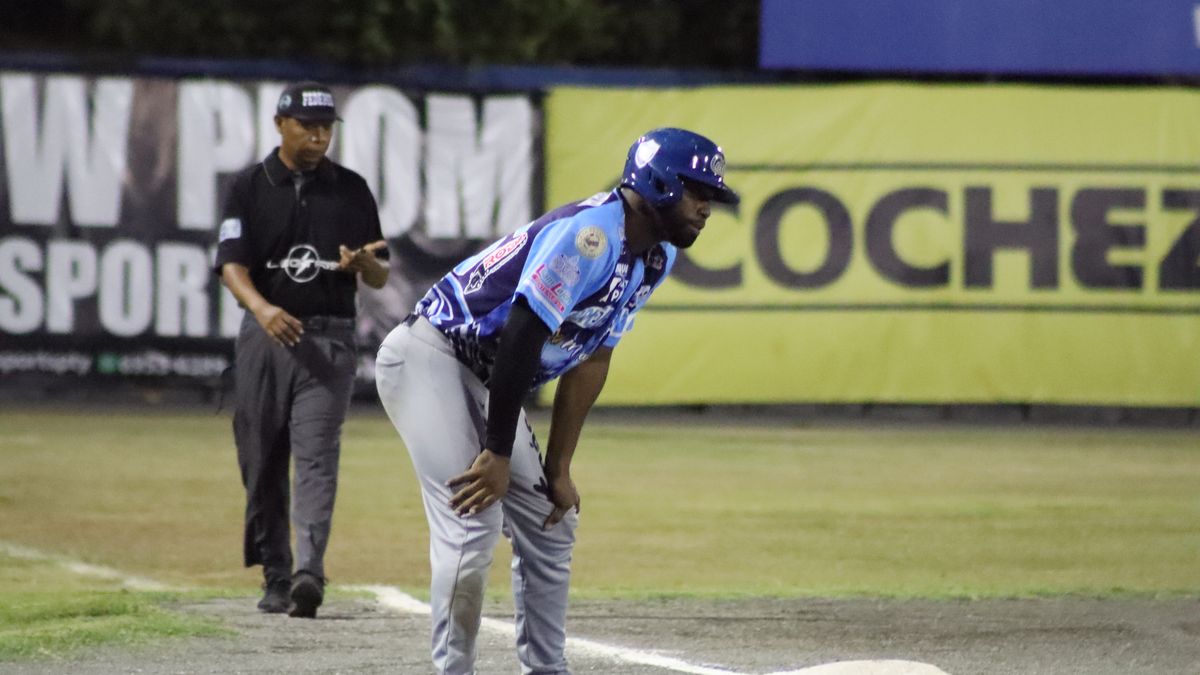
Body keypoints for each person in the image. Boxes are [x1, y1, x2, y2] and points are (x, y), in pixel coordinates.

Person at [375, 127, 738, 673]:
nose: (706, 207)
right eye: (696, 190)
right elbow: (522, 334)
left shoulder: (656, 256)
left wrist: (559, 466)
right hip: (430, 353)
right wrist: (497, 453)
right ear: (659, 181)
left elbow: (592, 357)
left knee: (552, 515)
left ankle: (546, 669)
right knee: (473, 521)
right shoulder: (591, 234)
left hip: (483, 377)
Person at [214, 81, 389, 618]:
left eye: (327, 127)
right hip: (266, 336)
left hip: (328, 338)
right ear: (280, 124)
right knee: (262, 457)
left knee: (317, 457)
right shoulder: (248, 186)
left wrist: (364, 265)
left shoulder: (352, 189)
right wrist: (262, 310)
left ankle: (309, 573)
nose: (319, 135)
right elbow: (231, 265)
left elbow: (380, 273)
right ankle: (276, 573)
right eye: (308, 125)